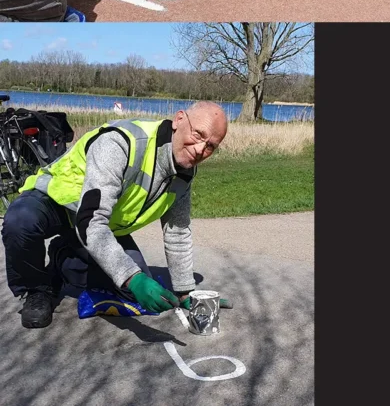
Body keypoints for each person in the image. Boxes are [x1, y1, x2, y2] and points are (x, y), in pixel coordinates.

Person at [2, 102, 228, 328]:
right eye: (199, 135)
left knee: (134, 294)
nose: (200, 150)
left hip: (98, 224)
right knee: (20, 221)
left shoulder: (184, 173)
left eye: (210, 146)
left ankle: (64, 256)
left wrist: (185, 292)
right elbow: (91, 220)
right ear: (179, 120)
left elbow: (177, 234)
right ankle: (37, 289)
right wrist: (132, 277)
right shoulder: (122, 142)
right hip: (56, 202)